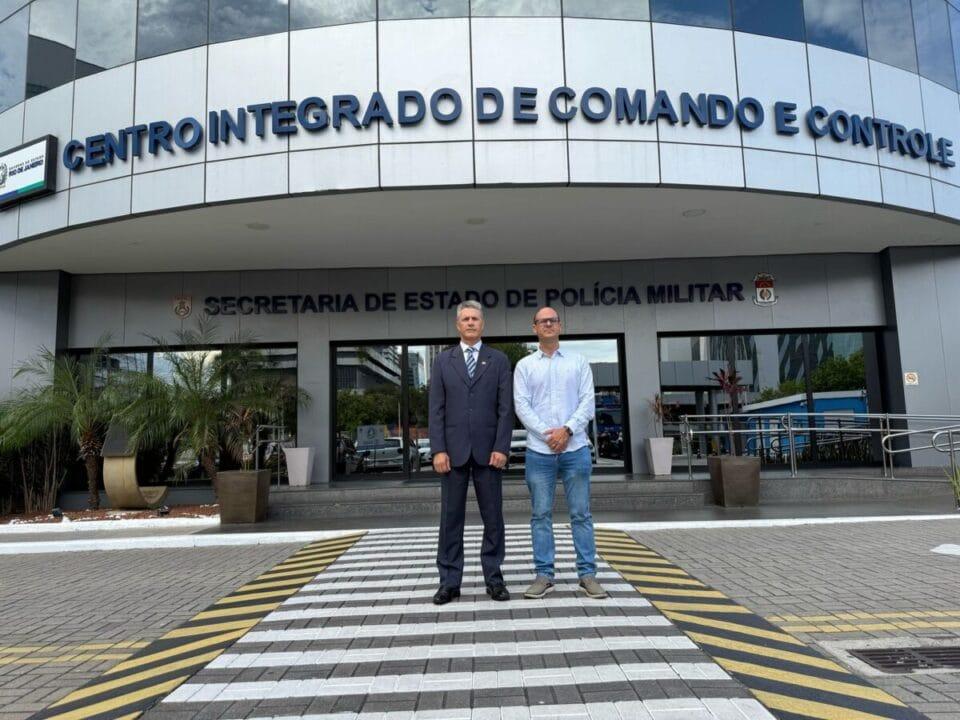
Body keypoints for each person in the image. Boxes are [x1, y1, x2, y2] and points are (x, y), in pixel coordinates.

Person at [513, 306, 608, 600]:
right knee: (540, 514)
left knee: (581, 513)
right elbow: (522, 406)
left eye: (553, 320)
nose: (548, 324)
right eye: (543, 321)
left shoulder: (579, 363)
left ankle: (587, 575)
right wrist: (548, 434)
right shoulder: (525, 366)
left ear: (560, 325)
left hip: (575, 449)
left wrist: (565, 431)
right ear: (534, 328)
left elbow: (587, 403)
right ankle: (544, 575)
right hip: (539, 452)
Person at [429, 300, 513, 605]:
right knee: (450, 519)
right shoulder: (443, 361)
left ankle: (494, 578)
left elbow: (506, 410)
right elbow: (435, 410)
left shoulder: (499, 360)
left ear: (482, 323)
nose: (470, 323)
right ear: (457, 325)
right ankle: (449, 582)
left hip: (489, 454)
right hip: (452, 455)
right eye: (465, 318)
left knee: (493, 519)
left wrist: (501, 447)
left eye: (475, 318)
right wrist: (437, 449)